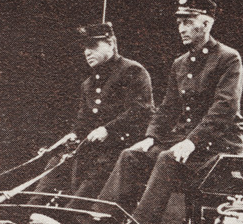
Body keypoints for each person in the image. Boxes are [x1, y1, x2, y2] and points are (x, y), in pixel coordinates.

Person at [96, 0, 243, 224]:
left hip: (218, 145)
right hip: (186, 143)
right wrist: (151, 137)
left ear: (206, 23)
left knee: (168, 158)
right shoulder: (180, 63)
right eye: (179, 22)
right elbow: (168, 108)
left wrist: (191, 141)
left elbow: (225, 107)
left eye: (188, 22)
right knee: (131, 155)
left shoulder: (228, 58)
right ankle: (100, 222)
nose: (181, 28)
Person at [32, 22, 154, 201]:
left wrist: (108, 129)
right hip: (93, 149)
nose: (87, 52)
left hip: (121, 148)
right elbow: (84, 121)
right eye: (84, 48)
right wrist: (72, 135)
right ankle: (31, 213)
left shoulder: (132, 70)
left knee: (87, 189)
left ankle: (72, 217)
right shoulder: (88, 84)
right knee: (55, 163)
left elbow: (141, 110)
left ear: (111, 43)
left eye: (93, 46)